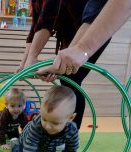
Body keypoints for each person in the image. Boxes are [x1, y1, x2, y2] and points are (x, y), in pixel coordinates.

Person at [18, 0, 111, 130]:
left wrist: (33, 59)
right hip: (68, 32)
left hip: (91, 30)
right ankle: (61, 130)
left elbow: (47, 20)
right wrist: (25, 64)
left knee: (72, 80)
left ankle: (70, 133)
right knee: (66, 79)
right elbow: (35, 28)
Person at [10, 85, 79, 152]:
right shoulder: (37, 125)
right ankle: (15, 146)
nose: (47, 126)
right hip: (26, 145)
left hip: (47, 148)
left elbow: (71, 150)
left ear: (70, 118)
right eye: (44, 119)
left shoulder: (72, 131)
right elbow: (29, 150)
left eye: (55, 123)